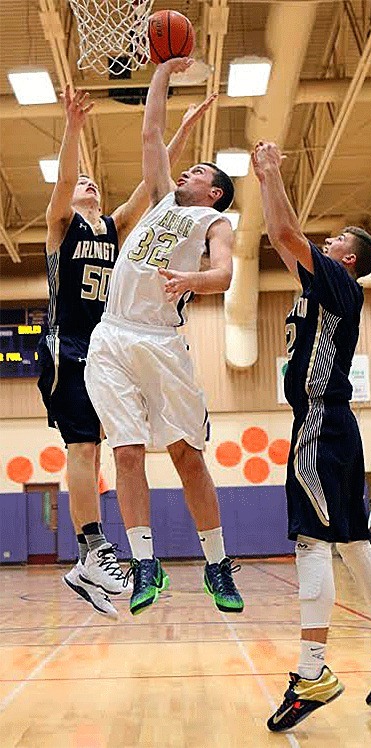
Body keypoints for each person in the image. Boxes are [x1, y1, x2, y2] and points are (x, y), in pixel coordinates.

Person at [38, 83, 216, 619]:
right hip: (65, 347)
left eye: (94, 182)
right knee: (84, 447)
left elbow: (154, 182)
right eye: (81, 185)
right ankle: (91, 548)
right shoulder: (61, 227)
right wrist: (72, 126)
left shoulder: (113, 230)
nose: (87, 184)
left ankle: (92, 562)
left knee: (119, 449)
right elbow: (67, 178)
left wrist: (182, 129)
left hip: (106, 351)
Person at [85, 57, 244, 617]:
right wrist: (163, 69)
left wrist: (189, 278)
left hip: (161, 341)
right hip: (111, 338)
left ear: (216, 193)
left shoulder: (215, 223)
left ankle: (218, 565)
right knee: (126, 453)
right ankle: (145, 563)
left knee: (186, 456)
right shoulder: (157, 198)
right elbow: (151, 130)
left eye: (199, 171)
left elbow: (224, 275)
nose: (186, 173)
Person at [251, 141, 371, 731]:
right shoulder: (323, 288)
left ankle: (313, 670)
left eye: (337, 240)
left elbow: (287, 234)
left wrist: (270, 172)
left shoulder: (340, 285)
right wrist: (266, 184)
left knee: (312, 543)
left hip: (317, 421)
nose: (327, 242)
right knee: (355, 542)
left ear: (350, 260)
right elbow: (279, 235)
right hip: (337, 425)